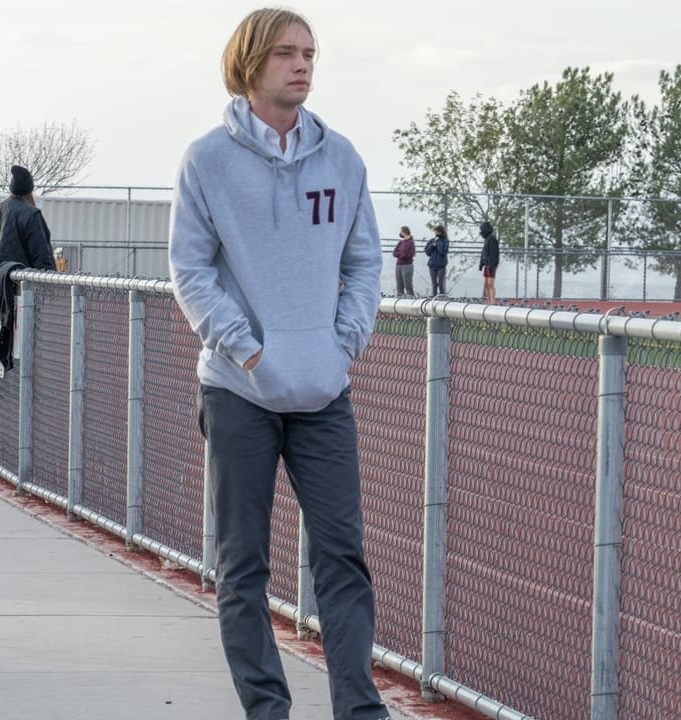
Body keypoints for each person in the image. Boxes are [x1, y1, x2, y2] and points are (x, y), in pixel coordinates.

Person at [168, 8, 390, 720]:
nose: (302, 65)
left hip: (324, 392)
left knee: (343, 560)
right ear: (250, 63)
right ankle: (268, 711)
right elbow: (190, 269)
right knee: (243, 567)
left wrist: (343, 342)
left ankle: (360, 712)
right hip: (239, 391)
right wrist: (249, 348)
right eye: (287, 54)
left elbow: (364, 262)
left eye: (310, 54)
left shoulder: (342, 158)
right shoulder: (207, 159)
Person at [0, 165, 55, 269]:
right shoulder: (32, 214)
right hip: (22, 277)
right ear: (29, 190)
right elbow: (41, 255)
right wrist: (50, 276)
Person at [423, 224, 448, 297]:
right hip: (432, 264)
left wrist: (438, 244)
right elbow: (427, 252)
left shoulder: (445, 241)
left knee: (440, 283)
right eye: (435, 232)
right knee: (434, 284)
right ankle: (434, 297)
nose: (436, 233)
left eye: (437, 232)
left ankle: (442, 297)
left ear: (441, 232)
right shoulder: (432, 240)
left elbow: (443, 252)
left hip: (441, 265)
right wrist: (432, 246)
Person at [478, 220, 499, 304]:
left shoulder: (492, 239)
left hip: (491, 265)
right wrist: (481, 263)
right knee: (486, 284)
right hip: (486, 264)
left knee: (490, 284)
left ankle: (492, 302)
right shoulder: (486, 239)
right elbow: (483, 252)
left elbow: (493, 253)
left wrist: (491, 265)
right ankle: (489, 301)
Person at [392, 225, 415, 296]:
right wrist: (401, 254)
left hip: (407, 265)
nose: (400, 233)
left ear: (405, 232)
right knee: (399, 284)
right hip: (398, 265)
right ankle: (400, 297)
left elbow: (407, 254)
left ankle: (410, 297)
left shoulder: (411, 242)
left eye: (401, 231)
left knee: (408, 284)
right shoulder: (400, 242)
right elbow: (394, 253)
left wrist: (400, 254)